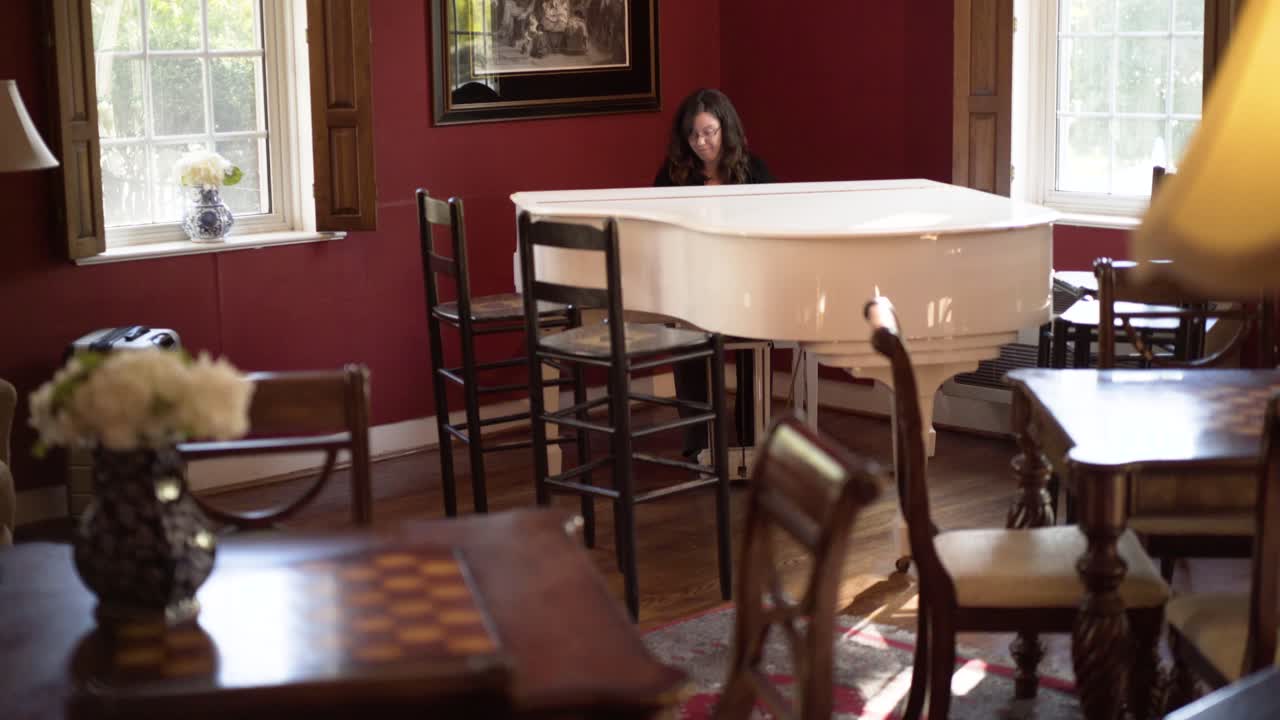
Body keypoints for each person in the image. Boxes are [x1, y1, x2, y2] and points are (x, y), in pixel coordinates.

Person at [653, 88, 774, 460]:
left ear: (727, 129)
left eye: (709, 132)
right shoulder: (672, 176)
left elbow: (775, 228)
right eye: (693, 135)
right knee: (688, 345)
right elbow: (659, 232)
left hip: (746, 283)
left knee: (757, 342)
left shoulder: (754, 171)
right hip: (693, 283)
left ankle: (752, 437)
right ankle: (698, 442)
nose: (702, 142)